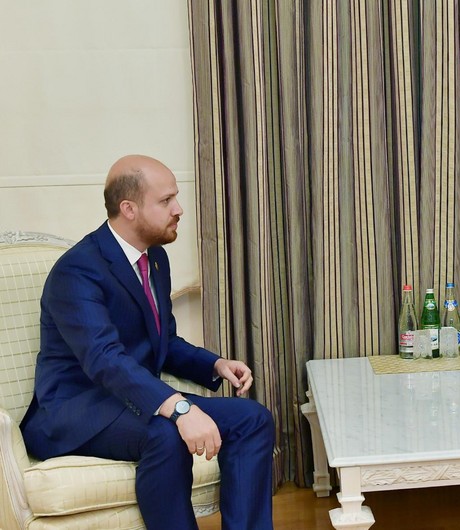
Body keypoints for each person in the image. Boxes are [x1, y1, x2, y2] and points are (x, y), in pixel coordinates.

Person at [20, 155, 275, 529]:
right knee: (166, 431)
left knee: (252, 419)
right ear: (129, 209)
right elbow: (104, 358)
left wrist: (214, 364)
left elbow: (162, 341)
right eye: (166, 200)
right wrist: (181, 409)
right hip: (77, 411)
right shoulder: (77, 270)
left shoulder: (155, 259)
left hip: (134, 402)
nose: (179, 209)